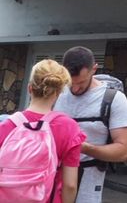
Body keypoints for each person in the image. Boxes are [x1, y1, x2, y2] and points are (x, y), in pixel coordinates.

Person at [54, 45, 127, 203]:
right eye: (71, 83)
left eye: (81, 83)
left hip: (88, 183)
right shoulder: (56, 92)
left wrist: (83, 147)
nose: (75, 89)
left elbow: (123, 151)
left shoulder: (114, 99)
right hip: (53, 177)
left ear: (94, 69)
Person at [0, 59, 85, 203]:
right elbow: (70, 185)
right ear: (58, 92)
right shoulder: (69, 128)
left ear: (29, 88)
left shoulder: (6, 126)